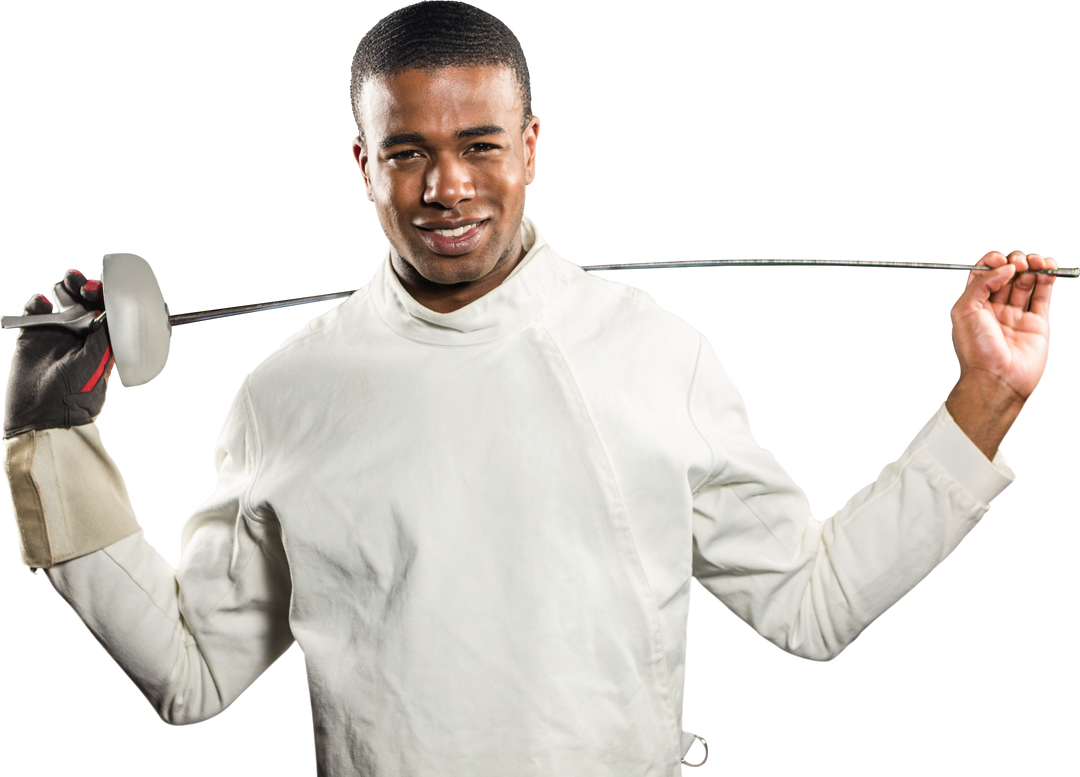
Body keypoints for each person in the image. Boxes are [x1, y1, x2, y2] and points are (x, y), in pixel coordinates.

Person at [0, 2, 1065, 775]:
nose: (446, 189)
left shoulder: (656, 351)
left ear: (534, 150)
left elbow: (812, 607)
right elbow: (191, 677)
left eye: (480, 147)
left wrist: (986, 400)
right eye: (407, 153)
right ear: (361, 163)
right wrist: (50, 443)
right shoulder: (286, 391)